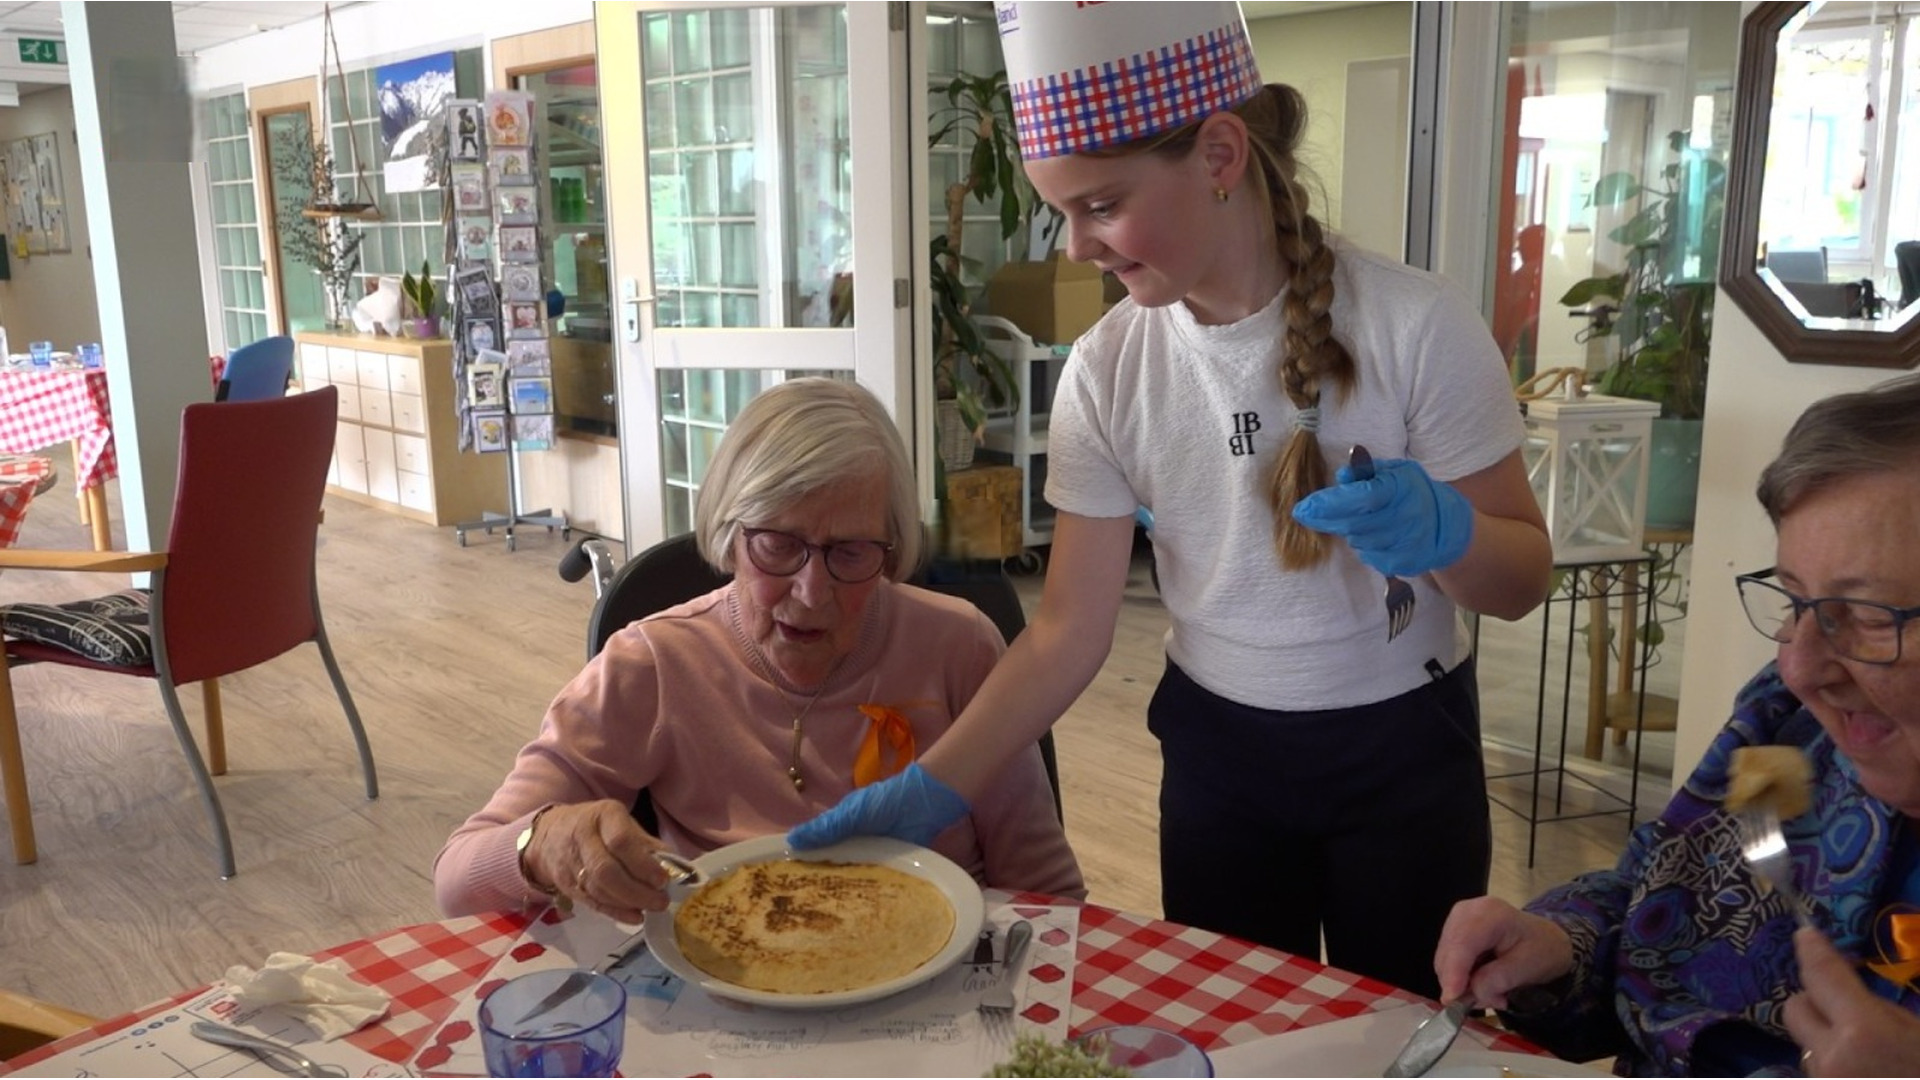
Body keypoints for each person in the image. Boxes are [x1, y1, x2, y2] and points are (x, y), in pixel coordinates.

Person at [792, 2, 1550, 999]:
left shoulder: (1416, 327)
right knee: (1236, 1036)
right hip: (1221, 767)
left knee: (1405, 1031)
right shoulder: (1109, 375)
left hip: (1406, 762)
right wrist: (938, 782)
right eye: (1061, 211)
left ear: (1221, 155)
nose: (1075, 249)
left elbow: (1520, 580)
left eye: (1101, 206)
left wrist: (1446, 531)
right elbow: (1067, 631)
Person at [434, 377, 1083, 921]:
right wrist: (539, 840)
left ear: (891, 550)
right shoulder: (653, 665)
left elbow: (1044, 886)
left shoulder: (958, 645)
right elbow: (458, 881)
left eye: (850, 552)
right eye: (777, 544)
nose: (809, 593)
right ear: (728, 530)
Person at [1432, 372, 1920, 1077]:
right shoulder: (1786, 732)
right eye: (1794, 601)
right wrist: (1559, 943)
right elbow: (1663, 896)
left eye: (1869, 617)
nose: (1800, 668)